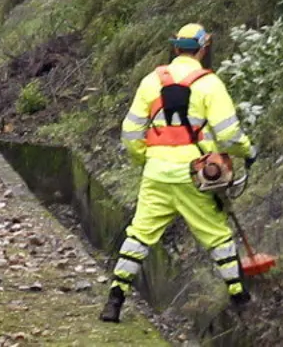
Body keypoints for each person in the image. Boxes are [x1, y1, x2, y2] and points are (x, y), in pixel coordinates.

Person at [100, 23, 259, 323]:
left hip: (156, 174)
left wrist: (146, 159)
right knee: (217, 236)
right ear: (203, 49)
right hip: (197, 176)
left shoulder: (151, 82)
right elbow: (229, 135)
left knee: (139, 235)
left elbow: (131, 132)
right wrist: (248, 152)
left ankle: (114, 300)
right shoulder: (210, 84)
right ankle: (240, 298)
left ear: (175, 48)